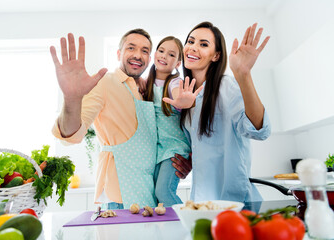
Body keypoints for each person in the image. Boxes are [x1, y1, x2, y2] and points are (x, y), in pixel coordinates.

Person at [50, 29, 189, 209]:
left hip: (147, 190)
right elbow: (72, 134)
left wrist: (183, 162)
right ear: (118, 53)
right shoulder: (105, 83)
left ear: (150, 58)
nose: (138, 55)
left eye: (145, 51)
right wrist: (71, 99)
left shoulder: (147, 89)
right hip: (119, 192)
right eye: (131, 48)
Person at [163, 22, 271, 202]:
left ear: (216, 56)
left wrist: (243, 74)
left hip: (234, 202)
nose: (193, 47)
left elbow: (258, 130)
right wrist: (191, 162)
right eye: (190, 41)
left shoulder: (226, 86)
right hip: (201, 203)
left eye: (203, 44)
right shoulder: (184, 95)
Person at [142, 36, 203, 207]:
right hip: (159, 149)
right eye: (161, 51)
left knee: (163, 191)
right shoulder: (146, 84)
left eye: (171, 54)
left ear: (177, 63)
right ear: (155, 54)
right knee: (154, 195)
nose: (163, 56)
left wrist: (182, 101)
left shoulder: (174, 82)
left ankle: (190, 222)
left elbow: (178, 93)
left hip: (175, 148)